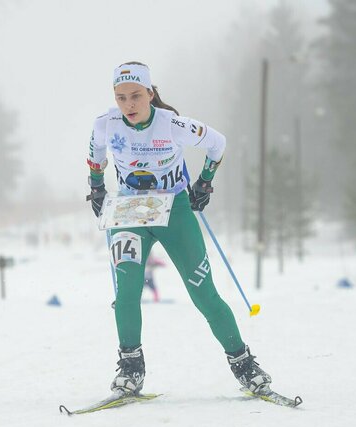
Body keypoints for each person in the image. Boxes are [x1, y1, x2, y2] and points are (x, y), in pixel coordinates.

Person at [86, 61, 272, 396]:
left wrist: (205, 183)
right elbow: (95, 155)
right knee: (126, 294)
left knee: (204, 294)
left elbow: (218, 143)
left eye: (136, 96)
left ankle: (245, 364)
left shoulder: (172, 124)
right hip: (130, 212)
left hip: (175, 211)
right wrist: (96, 186)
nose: (128, 104)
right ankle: (131, 369)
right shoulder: (105, 125)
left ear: (150, 93)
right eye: (121, 97)